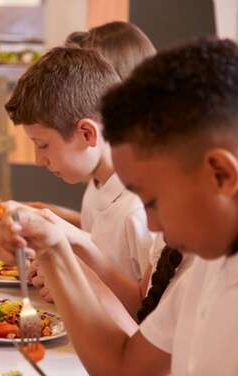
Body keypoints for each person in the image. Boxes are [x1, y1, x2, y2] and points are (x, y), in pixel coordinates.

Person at [0, 38, 238, 376]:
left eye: (152, 200)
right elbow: (119, 375)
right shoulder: (205, 267)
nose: (148, 220)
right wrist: (54, 247)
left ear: (220, 174)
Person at [29, 21, 157, 228]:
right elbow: (104, 232)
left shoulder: (139, 202)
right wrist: (58, 218)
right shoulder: (102, 175)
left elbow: (125, 240)